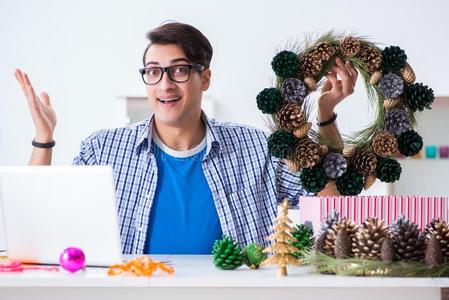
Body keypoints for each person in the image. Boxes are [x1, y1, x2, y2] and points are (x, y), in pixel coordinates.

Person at [14, 22, 358, 255]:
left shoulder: (257, 148)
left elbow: (327, 201)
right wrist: (44, 139)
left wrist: (325, 116)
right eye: (153, 72)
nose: (165, 84)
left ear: (204, 78)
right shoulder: (102, 148)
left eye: (178, 70)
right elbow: (43, 221)